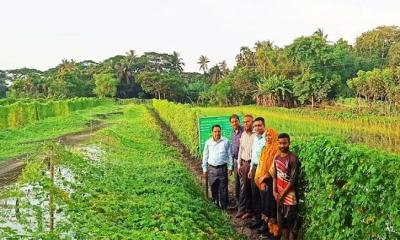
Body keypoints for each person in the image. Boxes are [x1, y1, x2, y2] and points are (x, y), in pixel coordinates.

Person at [270, 133, 300, 240]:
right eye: (280, 143)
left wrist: (282, 193)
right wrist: (274, 191)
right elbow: (274, 176)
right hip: (279, 197)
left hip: (290, 198)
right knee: (282, 224)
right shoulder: (277, 158)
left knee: (292, 225)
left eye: (285, 143)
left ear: (289, 143)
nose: (282, 146)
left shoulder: (293, 158)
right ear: (278, 143)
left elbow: (292, 180)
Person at [255, 128, 279, 238]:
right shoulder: (265, 149)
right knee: (266, 205)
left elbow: (273, 168)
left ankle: (275, 232)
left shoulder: (277, 149)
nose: (268, 138)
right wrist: (259, 178)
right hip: (264, 181)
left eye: (270, 135)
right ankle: (269, 229)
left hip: (272, 181)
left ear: (274, 137)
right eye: (267, 136)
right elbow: (261, 164)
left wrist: (264, 177)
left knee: (271, 207)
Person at [202, 124, 233, 210]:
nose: (217, 133)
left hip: (222, 168)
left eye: (219, 131)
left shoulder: (225, 141)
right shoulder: (208, 142)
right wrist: (205, 169)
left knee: (223, 188)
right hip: (212, 169)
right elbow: (205, 156)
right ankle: (215, 205)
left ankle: (223, 207)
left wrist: (230, 167)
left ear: (221, 131)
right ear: (212, 132)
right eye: (215, 131)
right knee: (213, 187)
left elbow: (229, 154)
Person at [248, 117, 266, 230]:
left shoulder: (267, 138)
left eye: (259, 125)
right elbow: (254, 155)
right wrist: (251, 169)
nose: (257, 128)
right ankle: (257, 219)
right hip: (254, 167)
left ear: (264, 125)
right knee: (255, 195)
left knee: (263, 196)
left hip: (263, 169)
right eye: (255, 126)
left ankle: (265, 223)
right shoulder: (255, 138)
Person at [235, 114, 254, 219]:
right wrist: (238, 164)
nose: (246, 124)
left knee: (249, 188)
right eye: (244, 122)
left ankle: (249, 210)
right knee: (244, 188)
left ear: (252, 122)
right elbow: (240, 150)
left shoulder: (256, 136)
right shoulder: (243, 135)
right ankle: (245, 209)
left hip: (252, 164)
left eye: (248, 121)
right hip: (244, 163)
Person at [230, 114, 243, 210]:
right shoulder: (233, 132)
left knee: (243, 184)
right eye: (232, 122)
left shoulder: (244, 132)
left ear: (239, 121)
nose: (234, 123)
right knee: (237, 183)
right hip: (235, 160)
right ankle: (238, 204)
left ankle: (243, 206)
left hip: (242, 162)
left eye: (236, 121)